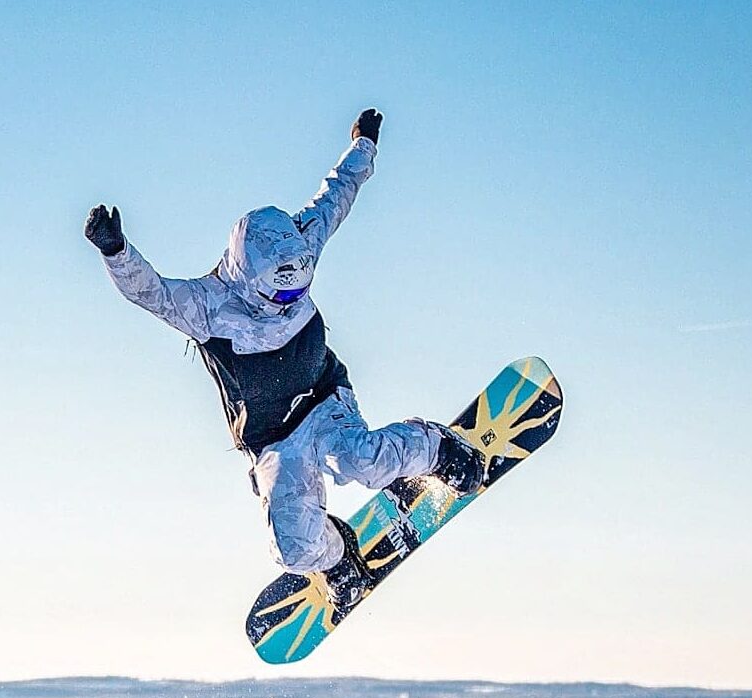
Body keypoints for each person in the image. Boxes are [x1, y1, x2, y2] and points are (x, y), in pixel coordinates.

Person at [84, 108, 485, 614]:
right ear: (249, 276)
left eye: (299, 287)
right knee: (293, 549)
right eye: (280, 291)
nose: (291, 298)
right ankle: (337, 558)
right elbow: (151, 293)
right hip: (273, 443)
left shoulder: (301, 247)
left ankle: (436, 449)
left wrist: (364, 146)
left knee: (362, 461)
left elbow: (335, 195)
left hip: (323, 400)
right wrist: (116, 251)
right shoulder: (206, 306)